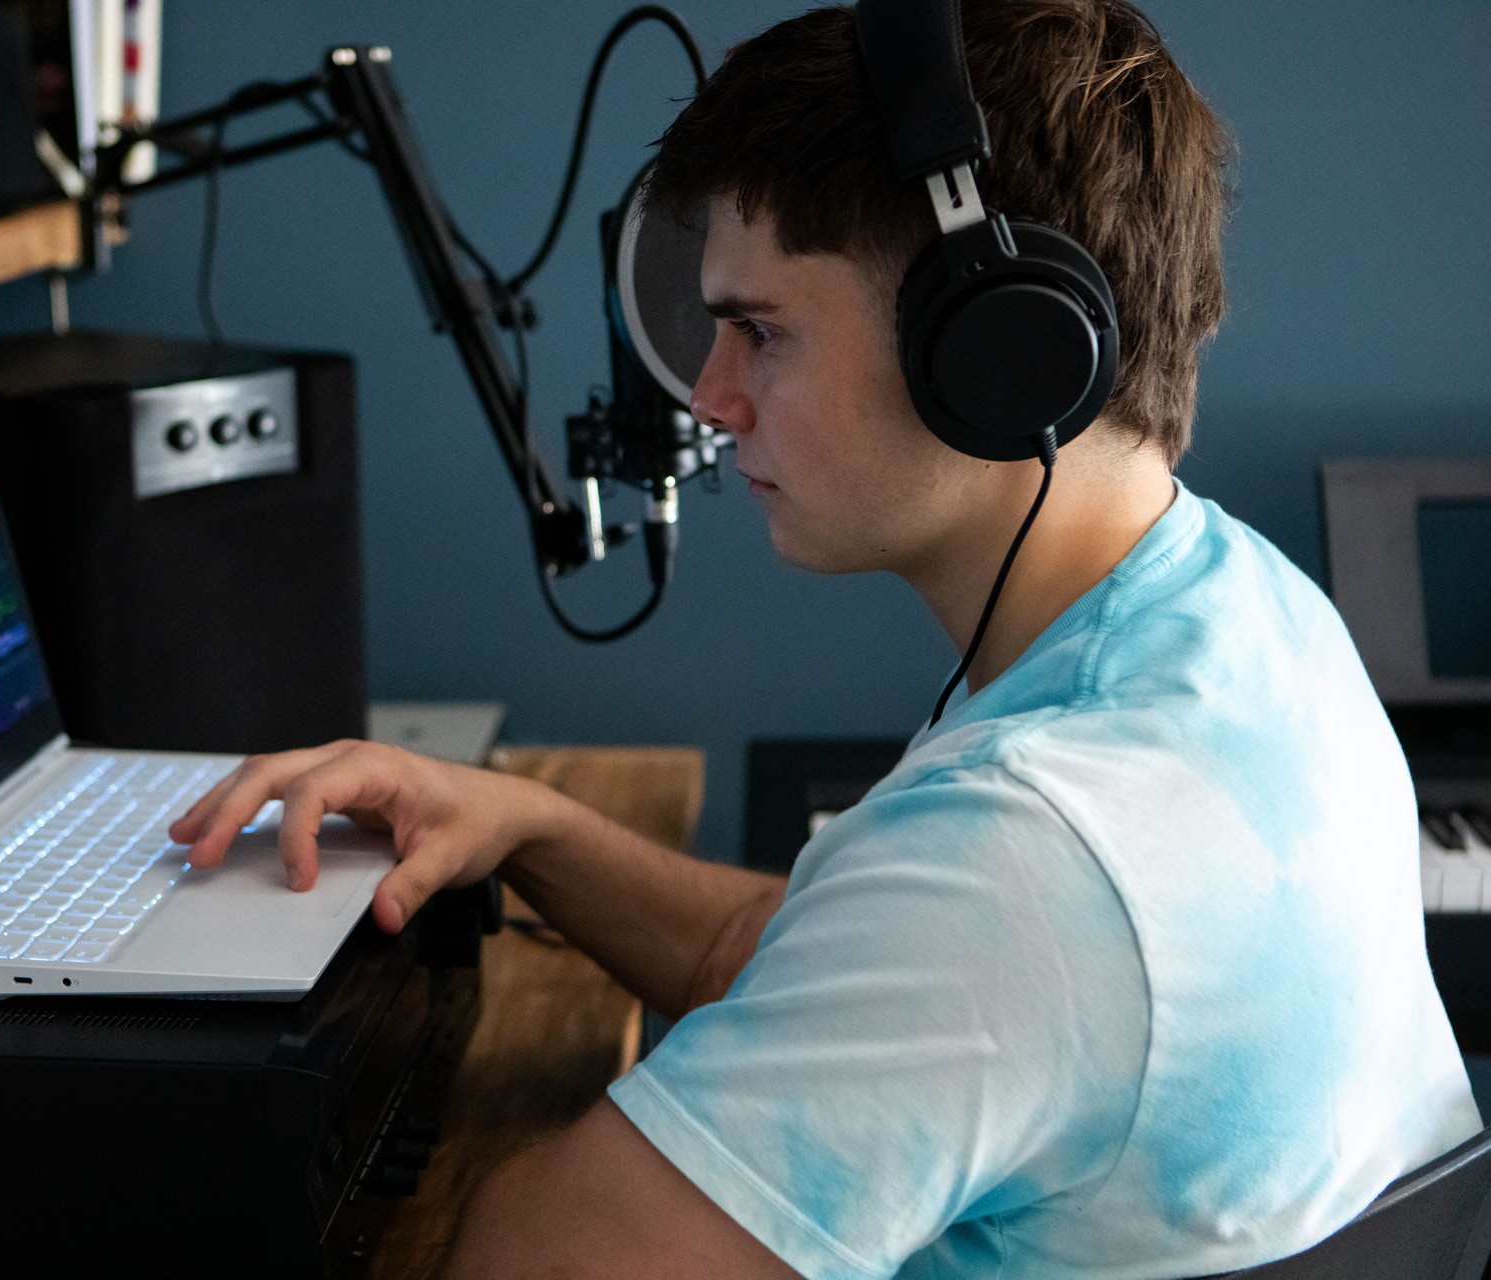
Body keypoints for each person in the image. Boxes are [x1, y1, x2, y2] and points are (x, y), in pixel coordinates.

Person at [168, 3, 1481, 1276]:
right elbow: (837, 968)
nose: (717, 401)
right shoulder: (1248, 617)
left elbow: (538, 1259)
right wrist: (531, 829)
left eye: (759, 331)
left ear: (989, 342)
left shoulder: (1033, 857)